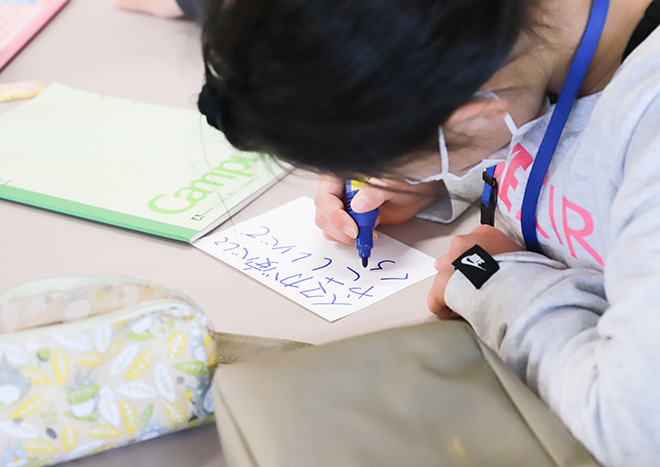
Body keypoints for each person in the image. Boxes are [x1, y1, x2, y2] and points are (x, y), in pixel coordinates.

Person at [197, 0, 660, 464]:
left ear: (474, 114)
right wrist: (438, 176)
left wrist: (493, 278)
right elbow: (558, 149)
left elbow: (632, 428)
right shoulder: (534, 45)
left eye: (381, 168)